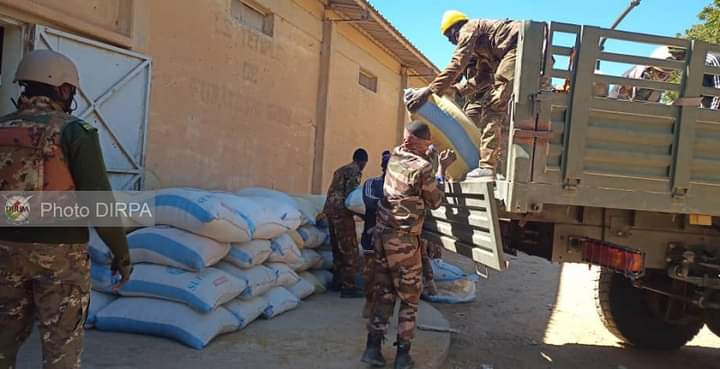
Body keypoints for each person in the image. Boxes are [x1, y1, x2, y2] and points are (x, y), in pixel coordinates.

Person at [0, 50, 132, 369]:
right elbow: (99, 203)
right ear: (63, 90)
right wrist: (122, 254)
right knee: (61, 347)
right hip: (60, 256)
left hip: (4, 252)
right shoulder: (74, 131)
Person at [361, 122, 456, 369]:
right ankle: (403, 355)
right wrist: (441, 170)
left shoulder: (394, 157)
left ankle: (372, 349)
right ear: (419, 143)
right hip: (403, 242)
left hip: (382, 238)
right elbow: (434, 200)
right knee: (410, 298)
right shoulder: (423, 168)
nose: (430, 146)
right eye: (428, 142)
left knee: (384, 294)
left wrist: (428, 157)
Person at [406, 10, 521, 178]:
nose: (451, 41)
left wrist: (429, 90)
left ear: (455, 28)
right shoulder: (483, 46)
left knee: (494, 106)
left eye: (449, 36)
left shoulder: (468, 28)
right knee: (498, 109)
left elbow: (457, 63)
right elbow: (483, 77)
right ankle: (497, 165)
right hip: (519, 49)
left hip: (519, 48)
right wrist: (458, 90)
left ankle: (488, 167)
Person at [323, 148, 368, 298]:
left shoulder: (340, 170)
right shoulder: (354, 171)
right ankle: (348, 286)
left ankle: (337, 281)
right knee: (349, 250)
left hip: (330, 211)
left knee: (337, 248)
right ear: (362, 162)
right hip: (342, 213)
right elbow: (351, 199)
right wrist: (362, 215)